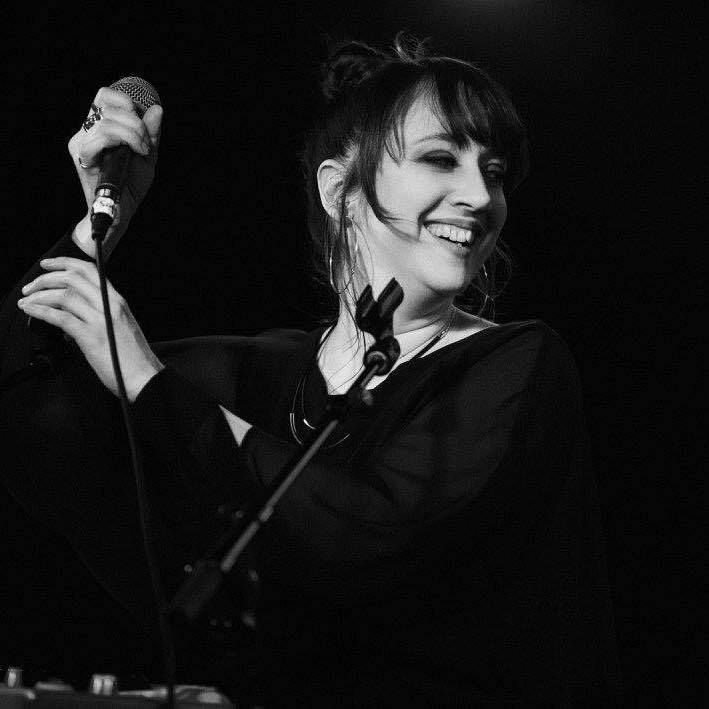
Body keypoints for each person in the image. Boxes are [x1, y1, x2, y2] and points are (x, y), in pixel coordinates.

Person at [0, 35, 622, 705]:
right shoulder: (262, 371)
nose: (480, 195)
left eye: (494, 171)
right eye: (441, 158)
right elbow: (27, 407)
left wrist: (149, 382)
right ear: (339, 189)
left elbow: (367, 536)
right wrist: (101, 227)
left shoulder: (518, 363)